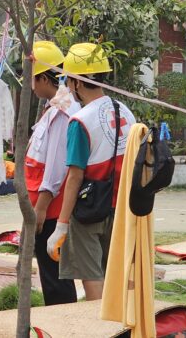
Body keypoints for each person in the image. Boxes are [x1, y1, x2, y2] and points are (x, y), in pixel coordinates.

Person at [47, 42, 135, 301]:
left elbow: (75, 175)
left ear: (75, 82)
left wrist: (61, 226)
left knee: (92, 275)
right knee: (117, 272)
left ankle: (100, 329)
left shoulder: (80, 120)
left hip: (89, 211)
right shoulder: (126, 112)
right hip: (121, 207)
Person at [24, 41, 78, 306]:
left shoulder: (61, 111)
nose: (30, 86)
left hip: (51, 207)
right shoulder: (56, 105)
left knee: (55, 277)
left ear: (44, 78)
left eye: (32, 79)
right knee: (51, 274)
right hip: (44, 202)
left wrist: (42, 207)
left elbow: (56, 166)